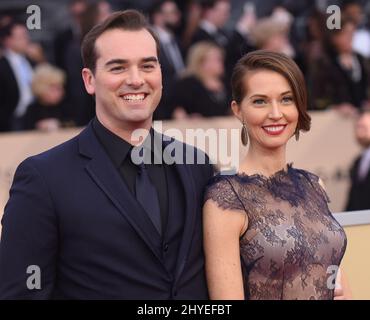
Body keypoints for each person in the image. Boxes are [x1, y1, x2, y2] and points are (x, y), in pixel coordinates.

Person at [0, 10, 214, 299]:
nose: (136, 80)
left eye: (148, 66)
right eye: (118, 68)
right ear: (89, 80)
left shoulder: (197, 164)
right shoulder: (44, 178)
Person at [203, 50, 350, 300]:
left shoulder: (314, 185)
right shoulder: (225, 199)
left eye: (286, 99)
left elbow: (337, 283)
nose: (275, 113)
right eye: (260, 101)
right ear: (238, 110)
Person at [170, 41, 228, 118]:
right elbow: (178, 112)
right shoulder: (187, 84)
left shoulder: (226, 83)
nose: (221, 63)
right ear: (202, 62)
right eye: (217, 59)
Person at [0, 21, 34, 132]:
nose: (26, 40)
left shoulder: (31, 61)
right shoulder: (2, 65)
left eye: (26, 35)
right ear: (7, 40)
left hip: (33, 118)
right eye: (21, 37)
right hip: (10, 121)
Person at [22, 63, 67, 131]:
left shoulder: (66, 106)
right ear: (41, 88)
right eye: (54, 88)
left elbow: (74, 123)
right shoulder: (32, 110)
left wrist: (59, 124)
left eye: (60, 87)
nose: (61, 92)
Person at [346, 108, 370, 210]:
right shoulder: (358, 162)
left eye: (363, 127)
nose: (359, 131)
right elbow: (353, 199)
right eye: (357, 127)